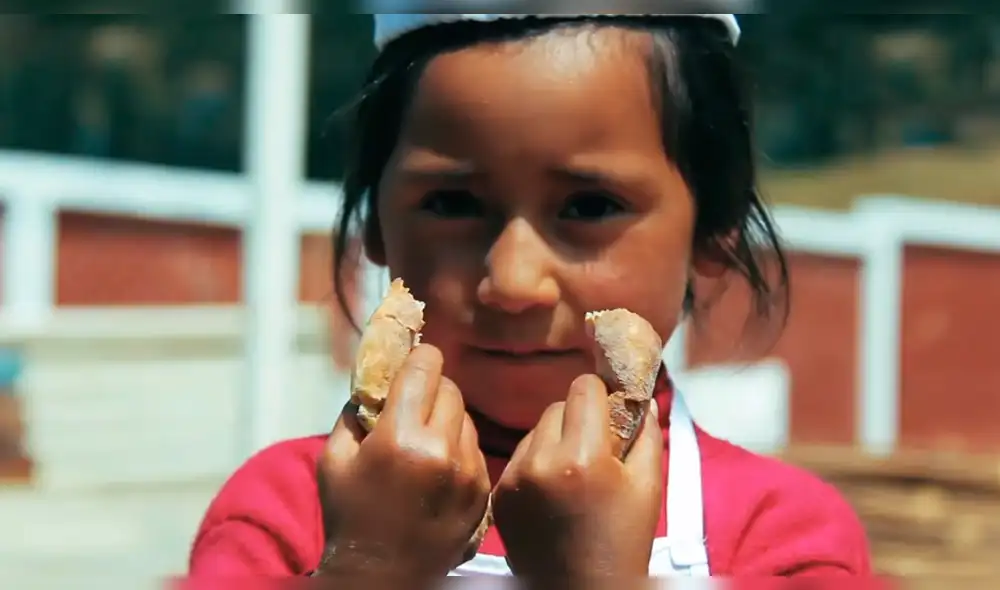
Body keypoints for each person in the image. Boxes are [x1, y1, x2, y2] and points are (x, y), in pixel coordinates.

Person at [187, 12, 872, 581]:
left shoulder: (782, 538)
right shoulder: (282, 514)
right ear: (376, 228)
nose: (512, 283)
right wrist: (367, 565)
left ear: (714, 238)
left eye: (589, 205)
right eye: (452, 202)